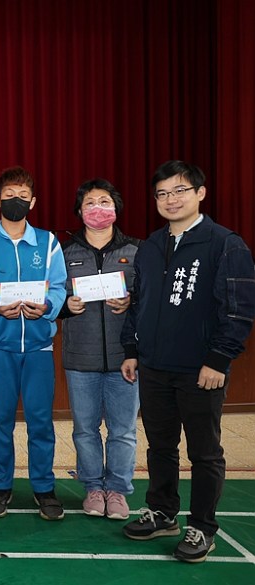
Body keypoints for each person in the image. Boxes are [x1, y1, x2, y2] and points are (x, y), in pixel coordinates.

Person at [120, 160, 255, 563]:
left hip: (201, 371)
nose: (170, 200)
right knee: (161, 446)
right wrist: (132, 350)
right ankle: (162, 513)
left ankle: (202, 527)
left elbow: (239, 309)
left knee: (204, 453)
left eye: (179, 191)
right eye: (162, 193)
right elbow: (138, 304)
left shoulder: (225, 243)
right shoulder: (150, 246)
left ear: (200, 193)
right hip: (154, 366)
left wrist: (218, 359)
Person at [0, 166, 67, 521]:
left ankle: (44, 488)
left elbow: (59, 286)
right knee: (0, 421)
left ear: (32, 202)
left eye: (23, 196)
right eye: (9, 195)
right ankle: (1, 485)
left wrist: (49, 306)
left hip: (39, 348)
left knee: (41, 422)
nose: (16, 201)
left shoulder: (48, 243)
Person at [59, 179, 140, 520]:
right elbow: (51, 298)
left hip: (125, 358)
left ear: (116, 207)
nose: (97, 208)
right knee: (84, 430)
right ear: (80, 211)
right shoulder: (64, 253)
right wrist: (66, 306)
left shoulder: (136, 250)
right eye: (90, 203)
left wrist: (132, 301)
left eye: (104, 201)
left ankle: (118, 490)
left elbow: (149, 299)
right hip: (81, 358)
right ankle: (93, 487)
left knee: (123, 430)